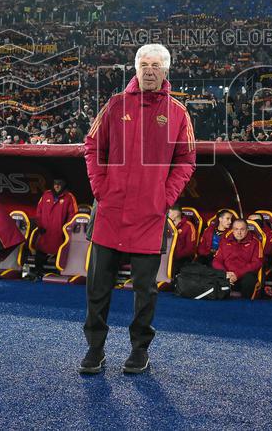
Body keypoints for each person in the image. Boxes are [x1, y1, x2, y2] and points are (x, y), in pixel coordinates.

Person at [81, 43, 196, 375]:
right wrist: (100, 188)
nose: (149, 70)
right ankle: (95, 349)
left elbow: (187, 160)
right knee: (97, 287)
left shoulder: (178, 113)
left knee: (145, 290)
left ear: (165, 71)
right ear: (135, 68)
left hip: (150, 215)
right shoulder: (115, 105)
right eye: (144, 64)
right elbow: (91, 146)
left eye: (155, 65)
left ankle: (139, 351)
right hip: (109, 212)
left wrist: (164, 197)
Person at [32, 177, 78, 278]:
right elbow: (38, 211)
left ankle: (58, 273)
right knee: (40, 251)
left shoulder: (69, 197)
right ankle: (37, 272)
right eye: (55, 183)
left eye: (59, 183)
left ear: (63, 184)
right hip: (45, 231)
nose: (56, 186)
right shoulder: (46, 195)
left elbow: (73, 215)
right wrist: (40, 225)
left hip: (59, 232)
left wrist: (66, 229)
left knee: (60, 253)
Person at [212, 219, 263, 299]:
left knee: (249, 279)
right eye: (236, 229)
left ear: (247, 230)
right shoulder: (225, 240)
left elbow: (257, 263)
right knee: (210, 273)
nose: (239, 232)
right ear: (232, 230)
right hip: (226, 275)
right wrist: (225, 274)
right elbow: (216, 260)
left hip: (243, 276)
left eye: (242, 229)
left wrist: (237, 274)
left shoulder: (255, 242)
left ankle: (245, 306)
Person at [167, 206, 196, 274]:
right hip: (166, 257)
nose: (167, 214)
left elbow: (190, 249)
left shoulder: (189, 226)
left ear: (175, 214)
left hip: (181, 259)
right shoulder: (167, 224)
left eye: (169, 212)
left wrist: (174, 256)